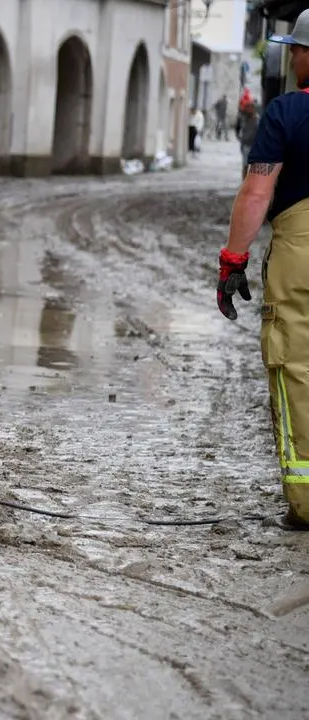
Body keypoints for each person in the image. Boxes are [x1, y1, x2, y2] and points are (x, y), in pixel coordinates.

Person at [216, 8, 309, 530]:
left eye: (297, 47)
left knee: (297, 365)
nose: (292, 55)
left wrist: (233, 260)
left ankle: (307, 500)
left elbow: (256, 191)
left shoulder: (287, 114)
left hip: (302, 252)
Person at [236, 98, 260, 182]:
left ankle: (251, 183)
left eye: (250, 108)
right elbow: (238, 128)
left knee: (254, 166)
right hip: (245, 144)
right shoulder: (243, 118)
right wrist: (240, 138)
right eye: (247, 108)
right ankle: (244, 182)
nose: (249, 110)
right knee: (245, 165)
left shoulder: (257, 119)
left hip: (254, 145)